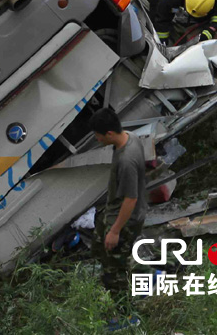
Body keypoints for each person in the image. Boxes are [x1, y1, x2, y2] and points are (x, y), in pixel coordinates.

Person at [89, 108, 147, 295]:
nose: (97, 140)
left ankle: (126, 316)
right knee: (99, 247)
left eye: (98, 136)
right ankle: (111, 269)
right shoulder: (131, 137)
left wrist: (115, 231)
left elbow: (131, 199)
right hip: (112, 211)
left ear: (110, 133)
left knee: (115, 272)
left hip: (125, 220)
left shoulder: (126, 161)